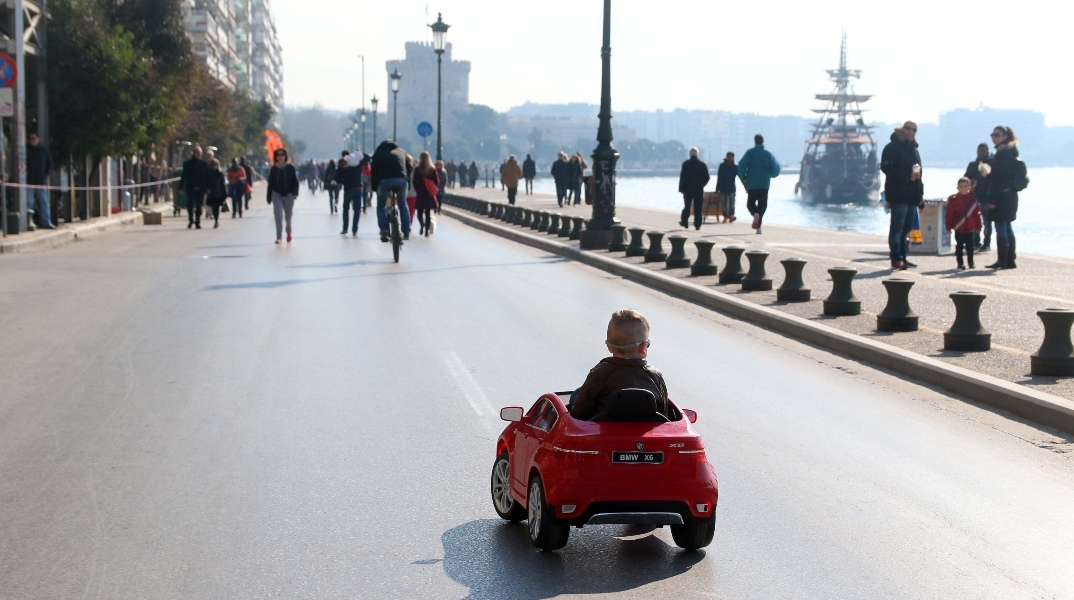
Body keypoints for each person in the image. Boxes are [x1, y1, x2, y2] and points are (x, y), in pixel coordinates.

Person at [568, 309, 670, 421]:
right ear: (643, 347)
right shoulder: (655, 377)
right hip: (644, 438)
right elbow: (664, 417)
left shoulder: (599, 374)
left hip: (603, 437)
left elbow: (578, 414)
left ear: (609, 347)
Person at [880, 121, 924, 270]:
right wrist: (906, 176)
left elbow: (919, 175)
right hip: (898, 194)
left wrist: (920, 197)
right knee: (897, 229)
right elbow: (886, 168)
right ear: (902, 129)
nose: (910, 131)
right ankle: (896, 258)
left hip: (912, 196)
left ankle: (903, 257)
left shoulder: (913, 149)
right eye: (908, 128)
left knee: (906, 229)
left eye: (914, 129)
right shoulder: (891, 147)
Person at [983, 126, 1023, 269]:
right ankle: (1010, 259)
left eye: (997, 135)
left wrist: (992, 200)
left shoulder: (1002, 154)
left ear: (1005, 136)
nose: (994, 137)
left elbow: (999, 180)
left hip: (1002, 197)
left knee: (1001, 227)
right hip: (1011, 195)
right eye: (992, 134)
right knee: (1007, 226)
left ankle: (1003, 260)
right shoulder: (1012, 152)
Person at [737, 134, 780, 234]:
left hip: (751, 183)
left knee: (750, 204)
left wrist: (743, 177)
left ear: (755, 141)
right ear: (763, 141)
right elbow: (776, 168)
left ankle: (755, 214)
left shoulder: (749, 153)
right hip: (764, 183)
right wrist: (772, 175)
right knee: (762, 205)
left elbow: (741, 166)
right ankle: (759, 227)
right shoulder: (768, 154)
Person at [371, 139, 412, 242]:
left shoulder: (378, 153)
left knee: (381, 205)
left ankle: (384, 229)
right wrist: (407, 182)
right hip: (401, 180)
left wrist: (375, 187)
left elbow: (374, 173)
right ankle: (406, 231)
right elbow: (409, 168)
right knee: (402, 204)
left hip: (384, 181)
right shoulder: (401, 151)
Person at [945, 177, 982, 270]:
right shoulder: (953, 199)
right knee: (959, 247)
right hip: (959, 228)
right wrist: (948, 227)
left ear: (969, 187)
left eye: (965, 186)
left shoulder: (973, 200)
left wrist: (979, 226)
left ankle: (971, 262)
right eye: (961, 186)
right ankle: (960, 263)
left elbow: (977, 214)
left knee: (970, 246)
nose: (963, 188)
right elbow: (949, 215)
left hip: (970, 227)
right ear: (957, 188)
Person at [266, 147, 300, 244]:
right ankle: (279, 237)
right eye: (278, 155)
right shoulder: (273, 169)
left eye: (282, 155)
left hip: (289, 195)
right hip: (277, 195)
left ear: (285, 156)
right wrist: (268, 197)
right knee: (278, 215)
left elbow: (295, 181)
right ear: (275, 157)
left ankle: (289, 232)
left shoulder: (290, 167)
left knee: (288, 217)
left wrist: (295, 193)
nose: (280, 157)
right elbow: (270, 184)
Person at [965, 143, 994, 251]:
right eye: (979, 151)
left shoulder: (992, 163)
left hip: (987, 196)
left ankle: (986, 243)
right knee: (974, 220)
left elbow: (994, 179)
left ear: (987, 151)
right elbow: (966, 178)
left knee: (987, 221)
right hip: (974, 196)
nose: (981, 153)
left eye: (983, 151)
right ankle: (975, 241)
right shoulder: (973, 165)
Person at [26, 132, 55, 229]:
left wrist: (45, 175)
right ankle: (29, 222)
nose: (32, 140)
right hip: (29, 181)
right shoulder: (26, 150)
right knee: (29, 202)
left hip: (40, 181)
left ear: (38, 139)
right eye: (30, 138)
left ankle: (46, 222)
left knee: (44, 201)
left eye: (33, 138)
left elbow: (49, 163)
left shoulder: (43, 150)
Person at [678, 147, 710, 230]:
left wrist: (681, 189)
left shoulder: (685, 164)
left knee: (687, 206)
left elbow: (683, 177)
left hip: (687, 189)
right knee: (698, 207)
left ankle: (685, 222)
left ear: (689, 154)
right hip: (698, 189)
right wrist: (702, 184)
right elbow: (707, 177)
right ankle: (697, 224)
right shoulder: (702, 164)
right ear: (697, 154)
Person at [179, 145, 209, 229]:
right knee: (190, 205)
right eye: (197, 153)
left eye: (200, 153)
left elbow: (207, 176)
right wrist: (180, 187)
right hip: (191, 187)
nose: (198, 154)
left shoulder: (204, 164)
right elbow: (184, 176)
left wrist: (208, 187)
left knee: (199, 206)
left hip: (201, 188)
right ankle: (190, 219)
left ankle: (197, 221)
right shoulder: (188, 164)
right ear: (194, 153)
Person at [413, 151, 441, 237]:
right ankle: (426, 232)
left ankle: (422, 224)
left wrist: (418, 189)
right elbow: (437, 182)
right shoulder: (432, 169)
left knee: (419, 212)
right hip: (429, 194)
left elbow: (414, 181)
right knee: (428, 212)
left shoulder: (417, 169)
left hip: (421, 193)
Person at [336, 155, 364, 236]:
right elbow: (365, 158)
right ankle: (355, 230)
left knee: (346, 209)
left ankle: (345, 228)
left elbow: (337, 179)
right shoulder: (357, 166)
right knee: (357, 210)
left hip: (348, 189)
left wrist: (344, 181)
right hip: (358, 188)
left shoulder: (342, 168)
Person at [205, 159, 228, 229]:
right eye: (213, 165)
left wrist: (225, 193)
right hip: (211, 193)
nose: (214, 166)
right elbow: (206, 182)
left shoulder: (220, 174)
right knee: (213, 207)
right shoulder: (208, 173)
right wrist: (207, 189)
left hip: (219, 193)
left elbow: (223, 184)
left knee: (217, 207)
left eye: (215, 165)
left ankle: (216, 220)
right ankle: (215, 219)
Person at [716, 152, 738, 223]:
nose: (730, 159)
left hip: (731, 187)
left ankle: (731, 215)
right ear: (726, 157)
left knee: (732, 202)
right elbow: (719, 177)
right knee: (723, 203)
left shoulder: (735, 167)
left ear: (733, 158)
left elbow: (740, 177)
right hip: (723, 187)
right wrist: (717, 188)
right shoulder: (722, 166)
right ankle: (725, 216)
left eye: (731, 157)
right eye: (729, 157)